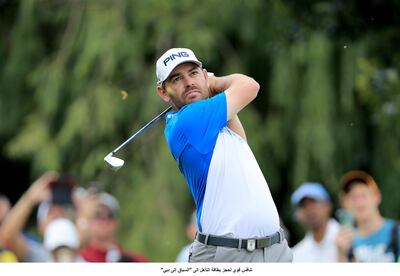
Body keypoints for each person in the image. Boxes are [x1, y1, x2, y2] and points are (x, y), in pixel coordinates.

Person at [155, 48, 292, 262]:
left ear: (203, 73)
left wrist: (210, 89)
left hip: (274, 250)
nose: (189, 82)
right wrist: (215, 81)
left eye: (193, 73)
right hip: (228, 255)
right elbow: (250, 86)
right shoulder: (189, 120)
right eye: (176, 79)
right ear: (164, 92)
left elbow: (241, 144)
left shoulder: (213, 124)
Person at [0, 171, 69, 262]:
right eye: (51, 213)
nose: (57, 218)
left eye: (61, 213)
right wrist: (31, 197)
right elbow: (8, 236)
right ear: (40, 224)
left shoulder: (79, 256)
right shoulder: (38, 254)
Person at [335, 170, 400, 262]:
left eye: (363, 195)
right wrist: (341, 256)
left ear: (377, 197)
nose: (359, 203)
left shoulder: (396, 233)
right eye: (353, 198)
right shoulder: (346, 243)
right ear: (344, 204)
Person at [79, 191, 148, 262]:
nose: (104, 220)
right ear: (89, 221)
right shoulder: (79, 260)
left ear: (117, 222)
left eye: (110, 215)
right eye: (98, 214)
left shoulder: (135, 260)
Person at [290, 182, 340, 262]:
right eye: (303, 206)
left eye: (314, 203)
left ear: (328, 206)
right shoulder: (296, 255)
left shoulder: (349, 238)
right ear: (298, 215)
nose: (309, 209)